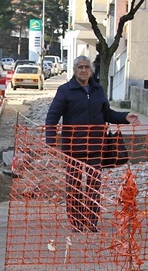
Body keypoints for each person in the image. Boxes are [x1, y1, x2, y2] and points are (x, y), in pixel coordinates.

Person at [45, 55, 140, 232]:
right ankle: (76, 222)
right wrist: (50, 140)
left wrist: (125, 116)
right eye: (80, 67)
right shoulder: (65, 90)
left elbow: (107, 114)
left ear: (91, 70)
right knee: (74, 187)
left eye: (86, 67)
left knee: (94, 187)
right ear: (74, 70)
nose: (83, 70)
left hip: (96, 147)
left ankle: (91, 221)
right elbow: (52, 117)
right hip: (73, 148)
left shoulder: (98, 90)